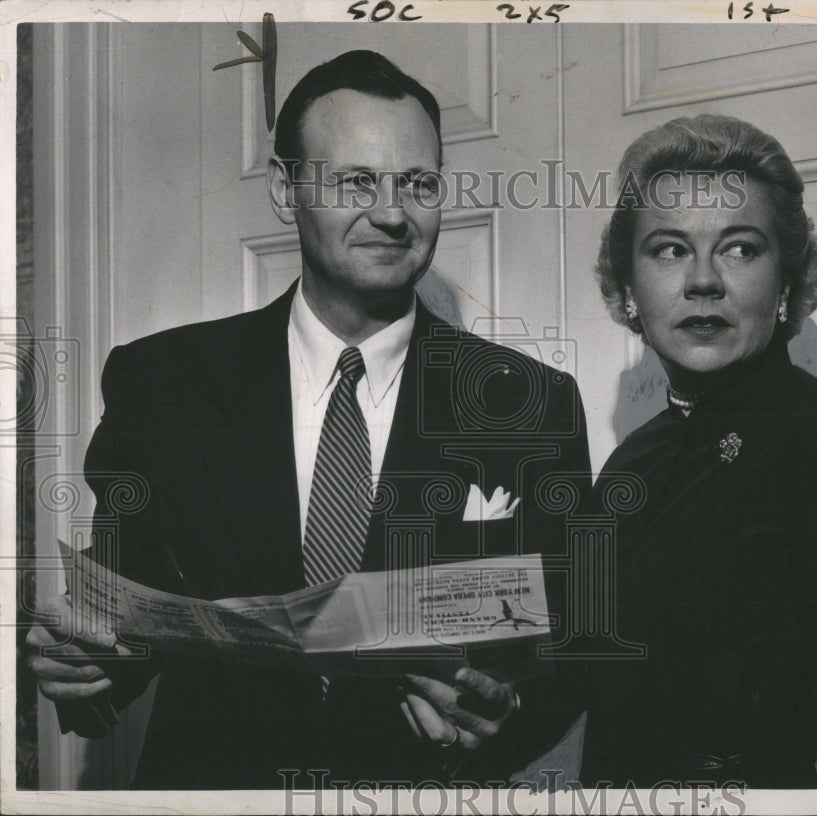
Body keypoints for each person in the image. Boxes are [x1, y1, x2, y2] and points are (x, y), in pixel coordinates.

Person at [26, 50, 591, 789]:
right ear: (285, 189)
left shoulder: (530, 403)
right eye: (355, 180)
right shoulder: (164, 382)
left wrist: (504, 710)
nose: (393, 214)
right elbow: (126, 623)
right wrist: (81, 665)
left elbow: (573, 640)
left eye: (418, 184)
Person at [579, 114, 817, 788]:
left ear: (785, 284)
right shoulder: (630, 463)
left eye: (740, 249)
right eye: (668, 249)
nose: (704, 281)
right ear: (629, 291)